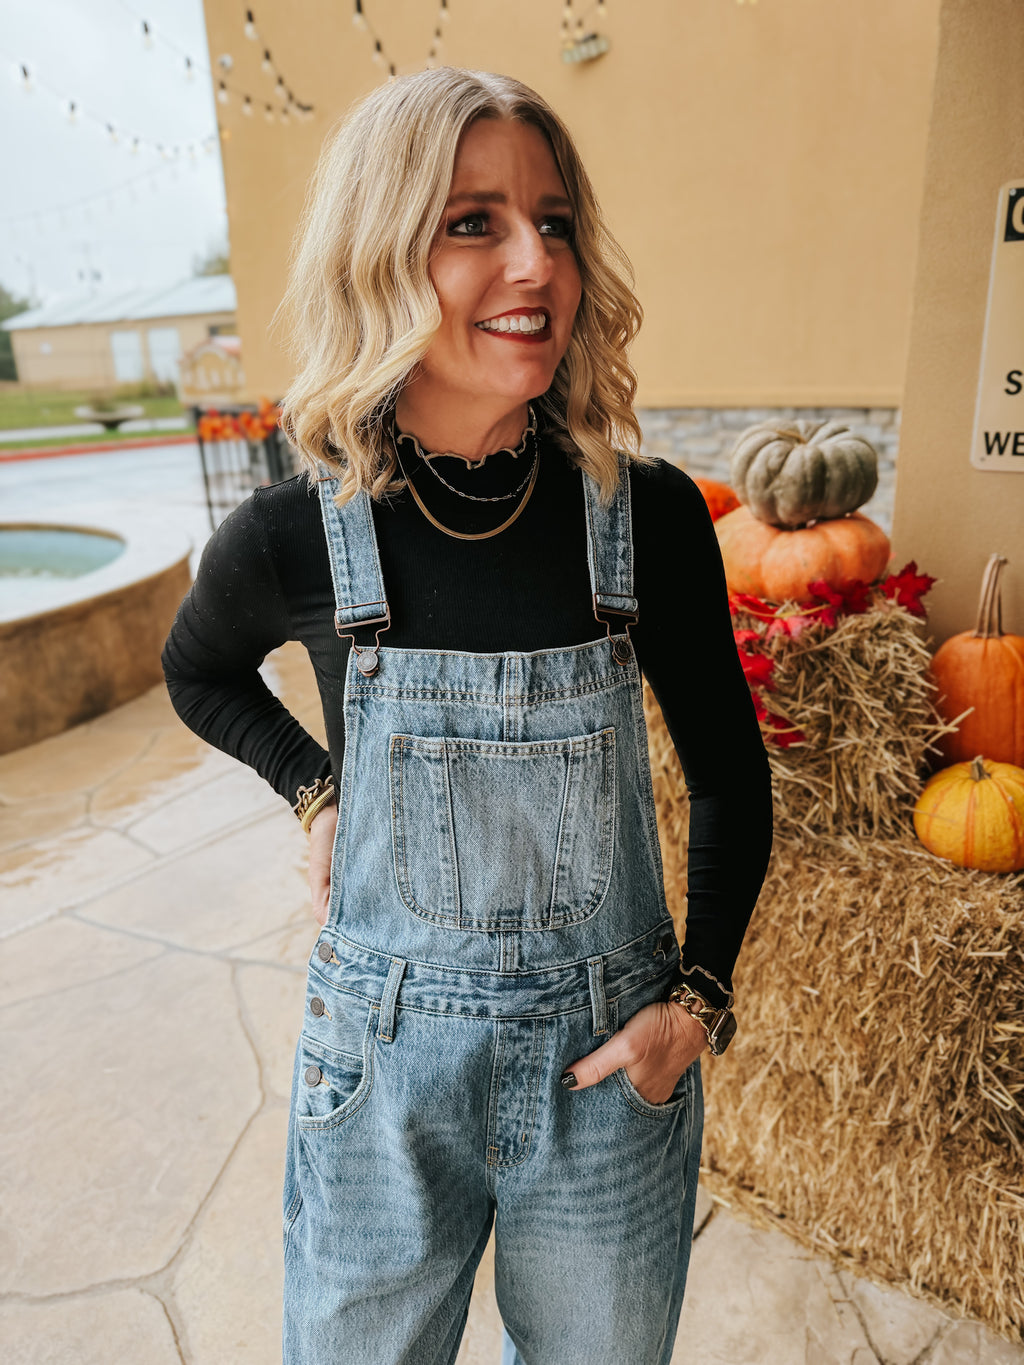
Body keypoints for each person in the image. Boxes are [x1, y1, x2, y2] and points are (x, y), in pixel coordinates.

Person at [163, 67, 772, 1365]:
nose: (533, 262)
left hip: (611, 1077)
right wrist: (313, 783)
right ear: (381, 251)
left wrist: (698, 1005)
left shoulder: (646, 517)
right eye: (472, 222)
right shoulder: (294, 533)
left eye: (552, 222)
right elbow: (199, 672)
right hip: (381, 1082)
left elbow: (729, 771)